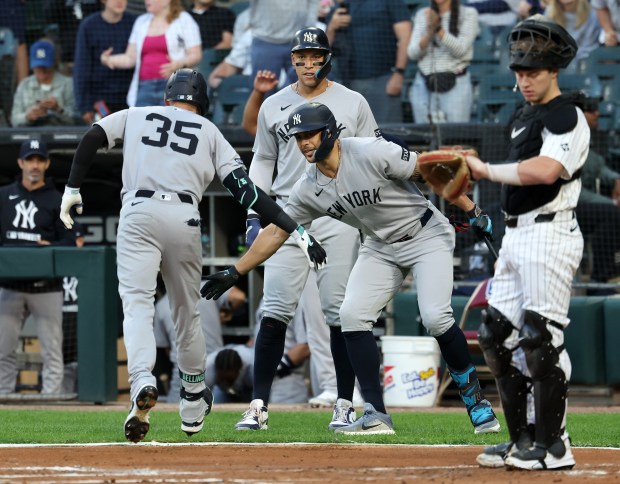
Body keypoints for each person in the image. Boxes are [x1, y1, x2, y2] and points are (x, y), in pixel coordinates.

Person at [58, 68, 326, 443]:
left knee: (137, 305)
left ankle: (142, 380)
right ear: (203, 102)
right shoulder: (210, 131)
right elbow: (247, 192)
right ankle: (193, 395)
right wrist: (294, 227)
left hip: (137, 212)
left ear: (169, 96)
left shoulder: (137, 113)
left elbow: (92, 136)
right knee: (188, 313)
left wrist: (72, 188)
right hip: (183, 217)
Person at [202, 101, 501, 435]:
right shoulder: (307, 187)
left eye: (311, 134)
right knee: (351, 315)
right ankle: (375, 413)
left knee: (435, 317)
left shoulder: (373, 151)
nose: (304, 143)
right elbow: (275, 232)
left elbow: (431, 172)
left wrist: (474, 211)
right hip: (378, 246)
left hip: (424, 234)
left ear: (331, 132)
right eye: (299, 137)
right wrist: (235, 271)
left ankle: (477, 402)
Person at [237, 26, 380, 431]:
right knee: (275, 310)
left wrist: (371, 214)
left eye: (315, 56)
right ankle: (258, 406)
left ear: (326, 59)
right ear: (293, 60)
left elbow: (373, 154)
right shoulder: (274, 104)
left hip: (338, 213)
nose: (307, 64)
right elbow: (263, 160)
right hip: (288, 215)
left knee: (339, 312)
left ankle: (344, 402)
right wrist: (253, 214)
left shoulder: (352, 102)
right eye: (301, 57)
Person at [465, 15, 588, 470]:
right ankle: (522, 441)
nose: (524, 81)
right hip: (517, 235)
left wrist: (484, 169)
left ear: (553, 70)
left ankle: (554, 447)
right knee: (495, 336)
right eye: (518, 73)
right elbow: (517, 179)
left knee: (541, 339)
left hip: (550, 233)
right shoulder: (524, 114)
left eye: (532, 72)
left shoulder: (566, 114)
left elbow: (545, 172)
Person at [0, 139, 78, 395]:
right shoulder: (3, 196)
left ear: (47, 163)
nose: (34, 165)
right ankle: (3, 398)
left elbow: (72, 242)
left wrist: (51, 246)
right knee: (4, 349)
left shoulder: (58, 199)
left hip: (47, 286)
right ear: (21, 163)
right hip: (10, 285)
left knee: (52, 351)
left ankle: (50, 403)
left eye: (39, 160)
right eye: (30, 160)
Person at [100, 0, 202, 107]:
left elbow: (195, 54)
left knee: (170, 122)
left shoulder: (184, 20)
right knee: (141, 122)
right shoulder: (141, 21)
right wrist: (108, 60)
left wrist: (178, 64)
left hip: (174, 85)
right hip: (144, 87)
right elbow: (130, 58)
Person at [325, 0, 412, 124]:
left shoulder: (391, 2)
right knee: (353, 138)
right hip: (347, 84)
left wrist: (399, 73)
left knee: (388, 135)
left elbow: (405, 38)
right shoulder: (340, 8)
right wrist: (331, 27)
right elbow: (322, 51)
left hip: (383, 80)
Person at [154, 285, 245, 402]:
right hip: (215, 365)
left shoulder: (161, 305)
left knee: (177, 411)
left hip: (186, 369)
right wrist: (224, 314)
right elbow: (238, 297)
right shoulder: (205, 286)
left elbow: (166, 349)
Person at [407, 0, 480, 123]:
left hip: (456, 86)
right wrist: (430, 31)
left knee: (455, 137)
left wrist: (439, 29)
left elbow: (460, 50)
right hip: (424, 85)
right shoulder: (423, 14)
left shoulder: (468, 13)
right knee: (424, 137)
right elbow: (412, 53)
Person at [575, 95, 620, 289]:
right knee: (611, 213)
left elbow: (597, 167)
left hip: (581, 205)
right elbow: (573, 189)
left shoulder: (585, 138)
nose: (597, 113)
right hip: (561, 207)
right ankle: (601, 278)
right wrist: (610, 202)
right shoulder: (567, 137)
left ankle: (607, 273)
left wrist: (617, 179)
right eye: (591, 110)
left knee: (611, 213)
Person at [73, 0, 137, 125]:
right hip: (100, 99)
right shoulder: (88, 26)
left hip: (132, 98)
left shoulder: (135, 23)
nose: (120, 2)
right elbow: (82, 68)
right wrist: (84, 106)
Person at [248, 0, 320, 93]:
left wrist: (308, 31)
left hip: (299, 42)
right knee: (263, 91)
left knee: (305, 90)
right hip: (266, 41)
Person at [11, 39, 77, 127]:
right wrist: (28, 116)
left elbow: (77, 119)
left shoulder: (68, 84)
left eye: (45, 66)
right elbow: (14, 119)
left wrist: (58, 109)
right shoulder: (24, 85)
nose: (42, 70)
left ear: (53, 63)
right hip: (31, 134)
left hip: (60, 134)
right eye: (38, 66)